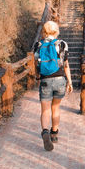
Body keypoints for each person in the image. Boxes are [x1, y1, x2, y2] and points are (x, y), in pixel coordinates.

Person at [35, 21, 73, 151]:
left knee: (45, 110)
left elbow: (36, 64)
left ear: (44, 31)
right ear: (56, 31)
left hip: (45, 80)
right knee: (55, 107)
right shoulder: (62, 44)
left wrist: (38, 77)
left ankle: (45, 132)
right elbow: (66, 64)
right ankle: (54, 134)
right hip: (60, 79)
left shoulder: (39, 45)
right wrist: (70, 82)